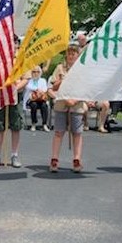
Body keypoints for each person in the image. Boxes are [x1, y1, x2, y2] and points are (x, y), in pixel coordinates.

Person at [49, 44, 88, 173]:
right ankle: (54, 159)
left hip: (76, 105)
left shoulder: (82, 70)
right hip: (62, 104)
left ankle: (77, 159)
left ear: (78, 56)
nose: (71, 56)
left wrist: (74, 101)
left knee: (77, 133)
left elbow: (85, 89)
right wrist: (62, 81)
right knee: (59, 132)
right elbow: (53, 86)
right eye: (69, 54)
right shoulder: (60, 68)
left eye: (73, 54)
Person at [0, 77, 29, 168]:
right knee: (0, 126)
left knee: (16, 126)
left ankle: (14, 155)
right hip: (1, 94)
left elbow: (26, 79)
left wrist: (14, 88)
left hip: (16, 96)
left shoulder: (20, 62)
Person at [22, 65, 49, 132]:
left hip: (40, 99)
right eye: (34, 72)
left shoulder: (43, 80)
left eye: (37, 72)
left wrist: (40, 92)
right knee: (34, 105)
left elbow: (45, 89)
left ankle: (44, 124)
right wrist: (37, 89)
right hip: (31, 99)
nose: (36, 73)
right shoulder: (29, 80)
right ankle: (33, 123)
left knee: (44, 106)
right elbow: (28, 87)